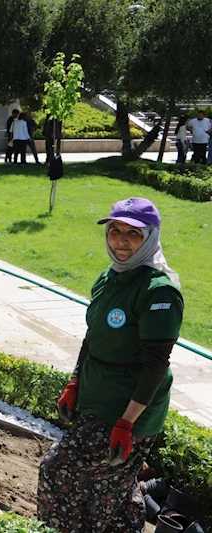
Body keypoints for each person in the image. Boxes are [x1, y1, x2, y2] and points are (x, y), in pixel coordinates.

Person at [37, 197, 183, 533]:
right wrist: (74, 383)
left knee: (58, 467)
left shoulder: (158, 292)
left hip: (128, 411)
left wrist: (126, 424)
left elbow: (156, 367)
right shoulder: (108, 278)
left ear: (150, 237)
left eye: (132, 233)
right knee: (109, 491)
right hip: (98, 398)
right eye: (115, 230)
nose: (120, 240)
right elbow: (93, 337)